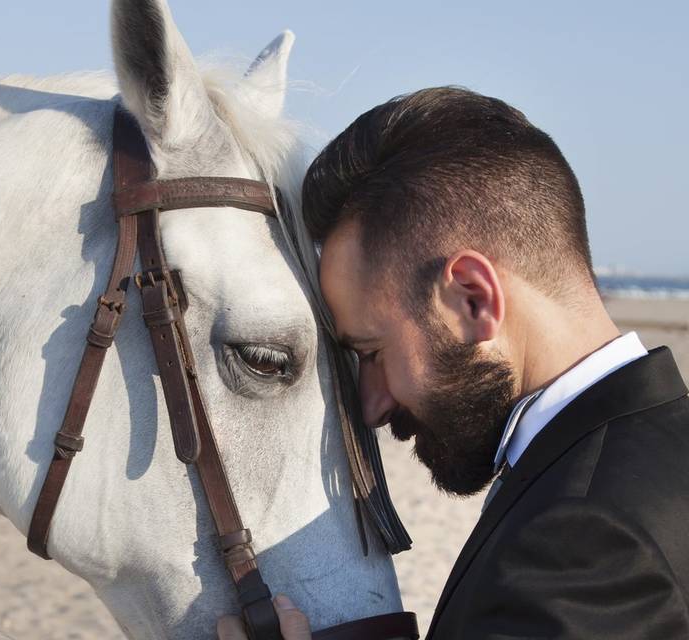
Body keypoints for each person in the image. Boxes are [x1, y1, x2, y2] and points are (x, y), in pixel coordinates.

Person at [217, 87, 689, 639]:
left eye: (371, 353)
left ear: (472, 299)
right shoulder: (653, 457)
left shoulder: (585, 538)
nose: (372, 405)